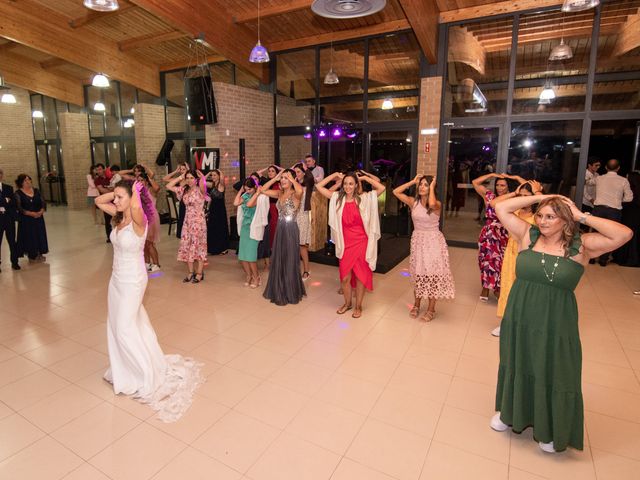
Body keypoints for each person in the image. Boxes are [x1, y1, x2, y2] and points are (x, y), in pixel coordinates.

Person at [492, 194, 632, 453]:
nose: (543, 221)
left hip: (557, 320)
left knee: (553, 367)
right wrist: (545, 196)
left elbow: (623, 234)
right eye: (541, 216)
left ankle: (550, 426)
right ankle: (509, 413)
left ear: (565, 219)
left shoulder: (582, 246)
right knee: (517, 359)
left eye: (550, 216)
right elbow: (501, 206)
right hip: (520, 315)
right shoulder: (527, 235)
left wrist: (581, 216)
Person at [94, 179, 203, 421]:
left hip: (133, 280)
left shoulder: (139, 219)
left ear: (132, 199)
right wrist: (118, 192)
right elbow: (98, 200)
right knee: (127, 324)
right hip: (116, 280)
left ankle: (145, 373)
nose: (116, 201)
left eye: (121, 198)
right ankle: (126, 369)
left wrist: (133, 192)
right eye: (117, 197)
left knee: (123, 327)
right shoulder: (118, 215)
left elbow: (133, 207)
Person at [316, 171, 385, 318]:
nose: (348, 186)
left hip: (361, 242)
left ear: (356, 185)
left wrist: (365, 177)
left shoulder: (364, 199)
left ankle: (358, 306)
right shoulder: (337, 199)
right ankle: (347, 303)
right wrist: (334, 175)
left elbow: (381, 189)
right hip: (344, 243)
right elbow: (319, 186)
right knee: (345, 277)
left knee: (360, 276)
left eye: (351, 183)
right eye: (345, 183)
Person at [393, 174, 455, 321]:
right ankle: (416, 305)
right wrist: (412, 181)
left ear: (432, 187)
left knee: (432, 276)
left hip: (433, 241)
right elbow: (396, 192)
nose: (422, 187)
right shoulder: (413, 202)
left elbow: (432, 204)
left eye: (425, 184)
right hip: (418, 242)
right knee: (419, 274)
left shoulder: (437, 204)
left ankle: (431, 309)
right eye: (420, 184)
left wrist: (432, 187)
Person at [489, 180, 543, 336]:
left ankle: (524, 325)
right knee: (508, 287)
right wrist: (514, 193)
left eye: (528, 197)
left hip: (529, 255)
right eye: (522, 197)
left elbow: (552, 206)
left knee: (525, 290)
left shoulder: (539, 216)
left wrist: (538, 193)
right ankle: (506, 323)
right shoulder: (515, 212)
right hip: (511, 252)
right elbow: (494, 203)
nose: (524, 200)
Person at [472, 173, 523, 301]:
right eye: (498, 185)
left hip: (504, 234)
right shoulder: (489, 196)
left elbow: (529, 187)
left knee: (501, 262)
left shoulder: (512, 198)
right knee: (486, 261)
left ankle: (497, 288)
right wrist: (491, 174)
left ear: (508, 187)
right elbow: (475, 182)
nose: (500, 188)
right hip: (489, 234)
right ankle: (485, 287)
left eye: (503, 185)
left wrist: (515, 177)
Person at [260, 169, 306, 305]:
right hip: (280, 228)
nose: (283, 180)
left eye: (286, 178)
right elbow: (262, 189)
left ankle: (290, 291)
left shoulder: (295, 194)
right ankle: (279, 288)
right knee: (279, 258)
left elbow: (301, 191)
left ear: (292, 180)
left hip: (291, 228)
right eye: (282, 178)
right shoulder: (279, 193)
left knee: (290, 259)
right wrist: (275, 178)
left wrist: (292, 179)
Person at [166, 170, 207, 283]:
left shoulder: (200, 190)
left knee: (199, 247)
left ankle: (199, 273)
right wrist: (180, 177)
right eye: (187, 178)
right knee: (187, 246)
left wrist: (202, 177)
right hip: (187, 222)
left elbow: (204, 187)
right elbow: (168, 185)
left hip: (198, 222)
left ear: (196, 179)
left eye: (191, 178)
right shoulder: (183, 190)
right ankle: (190, 272)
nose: (189, 180)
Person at [592, 159, 634, 266]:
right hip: (614, 211)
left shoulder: (599, 178)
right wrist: (619, 200)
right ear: (618, 168)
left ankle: (591, 258)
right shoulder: (623, 180)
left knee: (595, 233)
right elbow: (629, 198)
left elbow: (589, 183)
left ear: (606, 167)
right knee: (610, 236)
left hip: (598, 209)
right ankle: (603, 259)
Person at [234, 178, 264, 287]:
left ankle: (257, 277)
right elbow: (235, 202)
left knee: (251, 256)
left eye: (249, 189)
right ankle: (248, 275)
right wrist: (241, 191)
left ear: (255, 187)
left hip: (254, 228)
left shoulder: (260, 197)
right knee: (243, 256)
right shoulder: (245, 195)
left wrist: (256, 193)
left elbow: (250, 205)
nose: (248, 191)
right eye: (246, 189)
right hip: (245, 228)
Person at [15, 174, 48, 263]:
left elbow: (43, 202)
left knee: (40, 234)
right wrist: (30, 213)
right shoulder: (18, 193)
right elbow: (19, 207)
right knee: (30, 236)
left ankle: (40, 253)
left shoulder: (36, 191)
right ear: (21, 182)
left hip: (38, 217)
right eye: (25, 180)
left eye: (29, 179)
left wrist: (41, 211)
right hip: (26, 219)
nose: (28, 182)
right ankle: (32, 254)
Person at [293, 162, 315, 280]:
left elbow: (311, 178)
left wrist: (307, 170)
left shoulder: (308, 183)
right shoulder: (294, 184)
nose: (297, 174)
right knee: (293, 245)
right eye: (295, 172)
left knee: (302, 246)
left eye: (299, 171)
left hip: (303, 215)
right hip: (293, 216)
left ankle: (306, 270)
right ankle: (294, 269)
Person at [613, 171, 640, 266]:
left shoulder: (629, 191)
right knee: (634, 238)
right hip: (636, 218)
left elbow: (625, 203)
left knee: (626, 236)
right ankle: (633, 259)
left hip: (628, 216)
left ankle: (623, 259)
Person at [163, 162, 190, 239]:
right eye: (181, 169)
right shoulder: (178, 180)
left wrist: (188, 171)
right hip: (181, 204)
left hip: (188, 204)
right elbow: (165, 179)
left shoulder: (190, 180)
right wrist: (176, 171)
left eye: (184, 169)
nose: (182, 171)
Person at [206, 169, 230, 255]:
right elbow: (202, 182)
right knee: (212, 228)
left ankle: (223, 248)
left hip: (220, 210)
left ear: (219, 176)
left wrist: (220, 172)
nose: (213, 177)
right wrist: (209, 173)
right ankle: (213, 248)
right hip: (213, 209)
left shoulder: (221, 185)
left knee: (220, 228)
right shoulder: (212, 185)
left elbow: (223, 179)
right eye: (212, 175)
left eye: (215, 175)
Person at [0, 168, 20, 271]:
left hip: (8, 218)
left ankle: (15, 262)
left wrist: (5, 201)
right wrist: (5, 200)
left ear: (2, 175)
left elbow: (13, 203)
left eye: (0, 174)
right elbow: (7, 201)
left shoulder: (8, 188)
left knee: (12, 241)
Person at [94, 164, 113, 242]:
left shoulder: (111, 176)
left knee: (118, 219)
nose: (98, 171)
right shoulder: (97, 180)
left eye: (100, 169)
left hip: (116, 201)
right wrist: (113, 190)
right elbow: (102, 190)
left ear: (104, 169)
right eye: (97, 170)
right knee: (107, 220)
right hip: (106, 203)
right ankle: (109, 237)